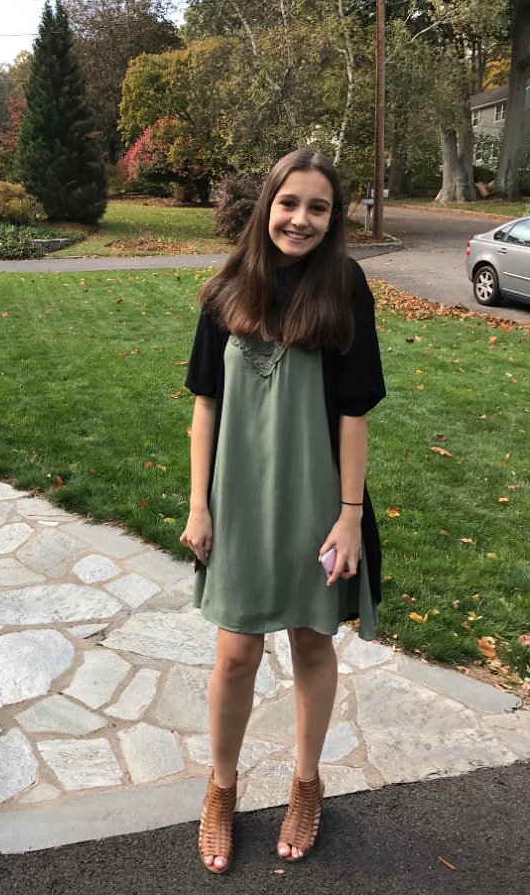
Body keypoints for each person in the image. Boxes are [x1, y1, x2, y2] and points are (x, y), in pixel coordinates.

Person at [180, 149, 386, 874]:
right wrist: (199, 505)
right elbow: (205, 406)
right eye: (289, 202)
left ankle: (306, 783)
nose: (301, 219)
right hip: (236, 500)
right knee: (234, 653)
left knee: (310, 644)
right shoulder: (227, 288)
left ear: (334, 218)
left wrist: (349, 517)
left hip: (317, 501)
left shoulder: (345, 286)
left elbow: (354, 413)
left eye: (318, 207)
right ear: (267, 204)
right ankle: (221, 788)